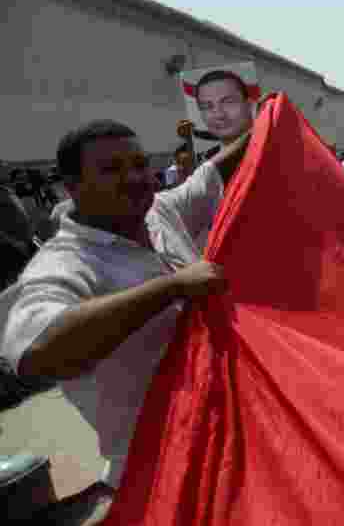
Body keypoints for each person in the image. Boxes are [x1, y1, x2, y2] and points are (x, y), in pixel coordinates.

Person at [0, 119, 252, 494]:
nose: (134, 177)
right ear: (72, 187)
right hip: (159, 473)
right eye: (111, 169)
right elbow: (39, 352)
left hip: (234, 438)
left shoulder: (159, 212)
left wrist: (266, 120)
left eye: (138, 164)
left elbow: (210, 174)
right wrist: (171, 288)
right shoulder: (64, 264)